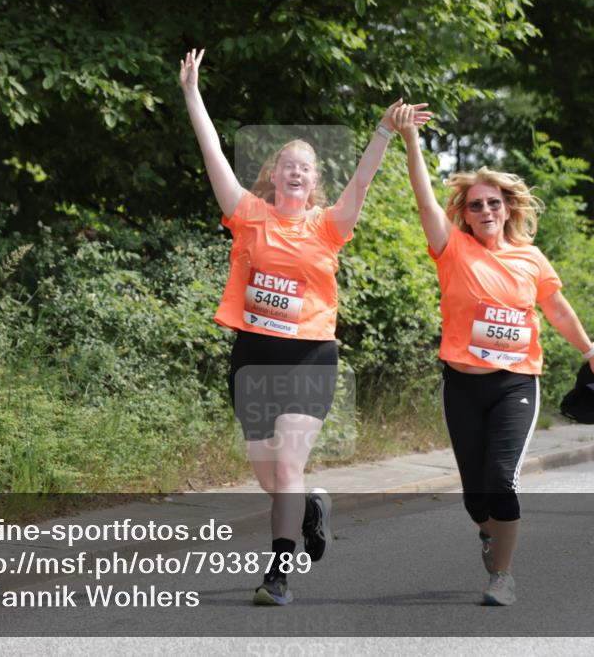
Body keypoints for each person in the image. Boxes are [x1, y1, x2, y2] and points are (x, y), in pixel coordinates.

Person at [180, 48, 429, 605]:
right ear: (273, 175)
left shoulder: (329, 225)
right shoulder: (247, 214)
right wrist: (193, 93)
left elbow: (363, 181)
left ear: (314, 181)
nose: (296, 171)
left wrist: (384, 131)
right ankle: (312, 509)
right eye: (287, 165)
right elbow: (213, 152)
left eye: (306, 167)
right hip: (253, 354)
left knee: (288, 465)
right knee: (271, 479)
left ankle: (278, 575)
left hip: (310, 356)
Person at [394, 104, 594, 606]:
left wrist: (592, 353)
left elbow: (556, 309)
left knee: (501, 479)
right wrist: (409, 140)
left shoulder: (530, 257)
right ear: (465, 213)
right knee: (476, 497)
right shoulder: (451, 248)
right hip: (462, 384)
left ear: (508, 208)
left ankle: (502, 576)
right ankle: (488, 534)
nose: (486, 211)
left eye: (493, 203)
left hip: (515, 382)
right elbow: (424, 199)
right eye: (475, 205)